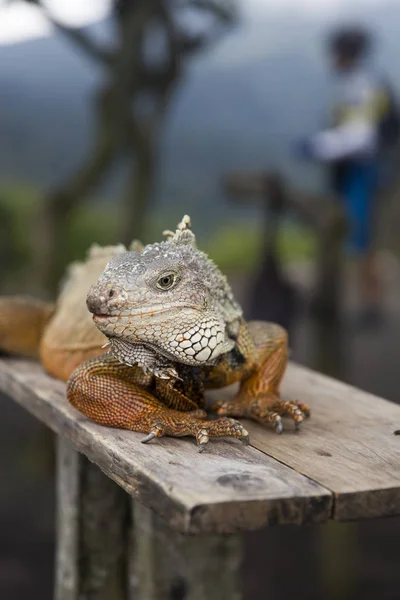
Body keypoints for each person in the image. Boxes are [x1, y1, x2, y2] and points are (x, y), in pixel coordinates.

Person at [296, 26, 399, 326]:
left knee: (361, 237)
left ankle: (371, 304)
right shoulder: (359, 83)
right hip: (356, 170)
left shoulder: (363, 86)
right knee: (350, 234)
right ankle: (348, 300)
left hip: (364, 172)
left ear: (343, 53)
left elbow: (359, 137)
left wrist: (317, 147)